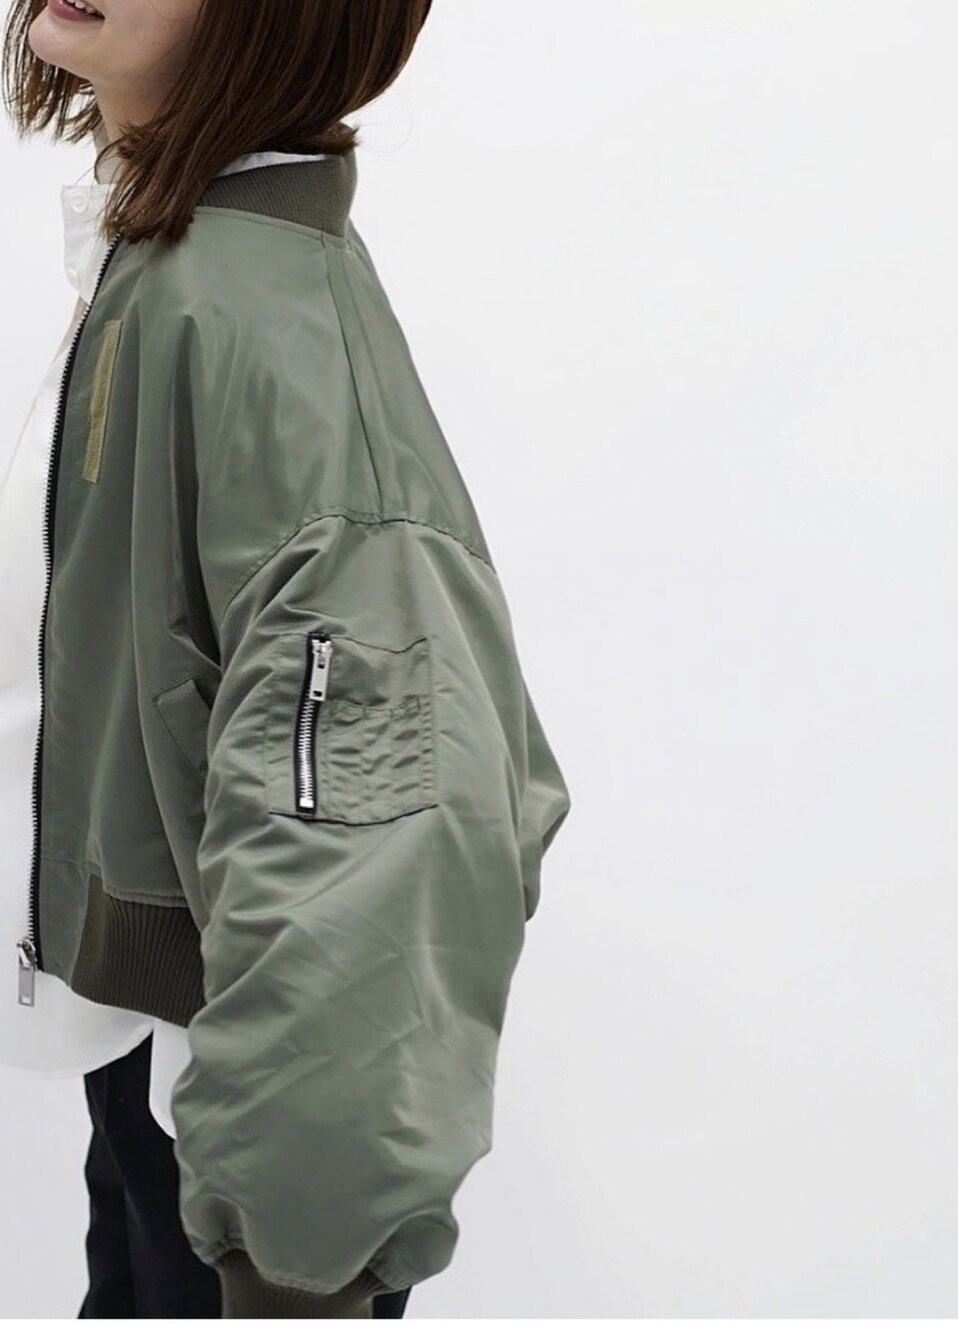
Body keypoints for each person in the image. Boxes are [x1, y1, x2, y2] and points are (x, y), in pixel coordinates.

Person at [0, 0, 572, 1320]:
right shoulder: (168, 254)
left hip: (244, 1155)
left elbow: (383, 845)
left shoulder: (258, 323)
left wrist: (285, 1264)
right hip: (162, 1060)